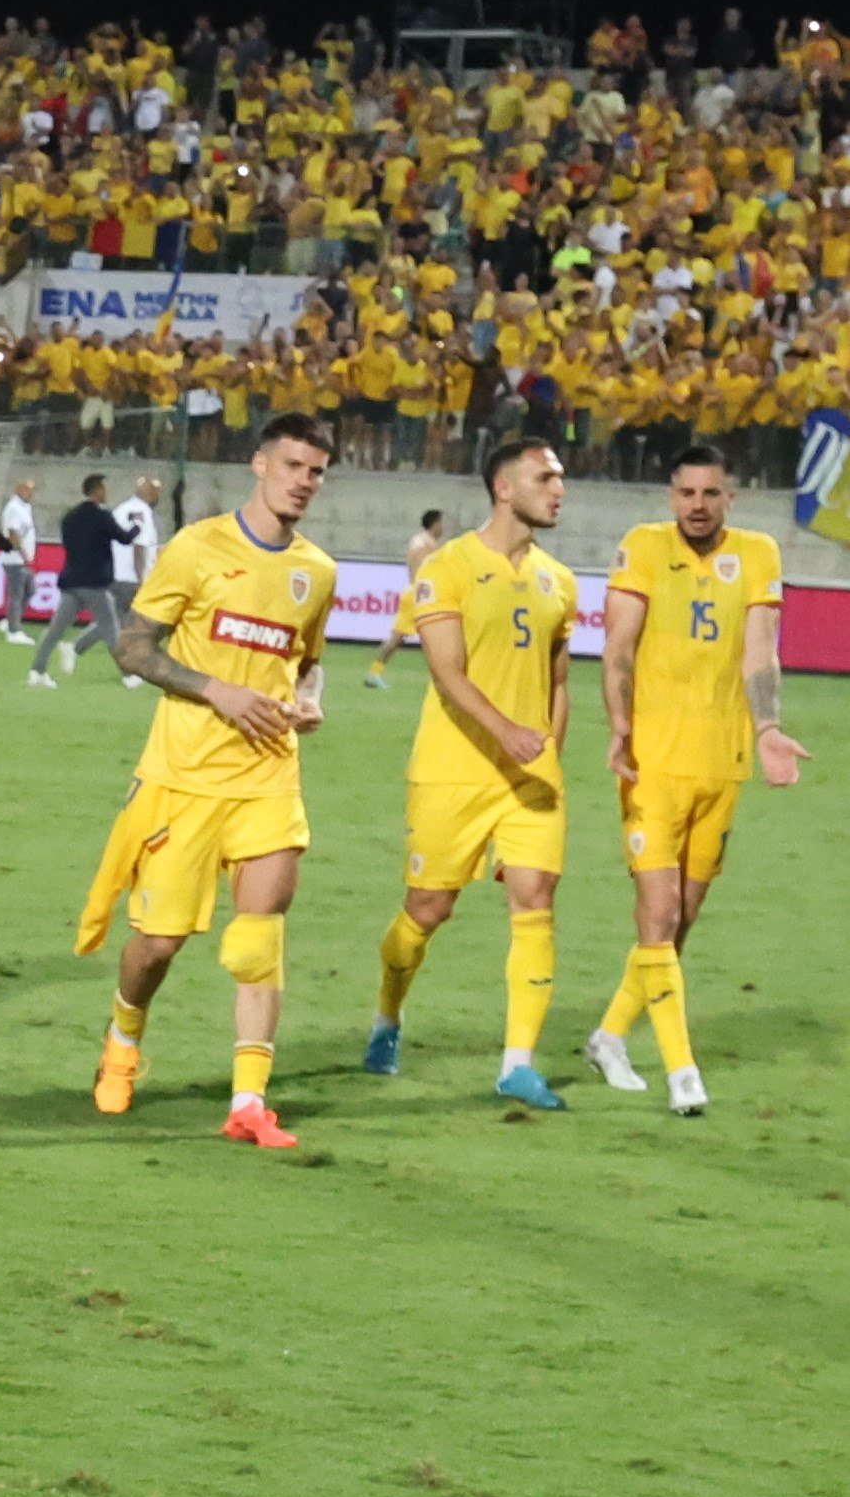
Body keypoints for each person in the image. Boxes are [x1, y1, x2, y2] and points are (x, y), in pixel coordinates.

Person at [74, 413, 338, 1145]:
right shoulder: (197, 547)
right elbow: (131, 647)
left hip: (267, 775)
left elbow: (306, 657)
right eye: (292, 465)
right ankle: (122, 1038)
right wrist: (213, 689)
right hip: (184, 776)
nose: (303, 481)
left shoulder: (315, 570)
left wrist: (308, 699)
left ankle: (248, 1103)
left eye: (315, 470)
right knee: (156, 945)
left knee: (258, 938)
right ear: (259, 462)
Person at [362, 436, 577, 1109]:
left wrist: (550, 752)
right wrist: (509, 730)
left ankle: (517, 1063)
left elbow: (559, 682)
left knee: (534, 900)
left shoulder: (559, 581)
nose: (558, 488)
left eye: (560, 478)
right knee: (429, 907)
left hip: (528, 778)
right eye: (544, 477)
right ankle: (387, 1015)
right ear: (503, 487)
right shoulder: (446, 567)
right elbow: (445, 672)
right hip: (451, 771)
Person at [587, 450, 805, 1109]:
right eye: (685, 491)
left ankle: (608, 1036)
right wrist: (619, 725)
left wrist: (766, 729)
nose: (697, 503)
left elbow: (758, 651)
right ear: (669, 496)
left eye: (710, 491)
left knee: (678, 922)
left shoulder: (758, 552)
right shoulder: (643, 547)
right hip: (651, 762)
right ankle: (683, 1074)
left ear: (729, 498)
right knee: (656, 914)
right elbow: (618, 647)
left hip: (720, 763)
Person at [33, 473, 129, 689]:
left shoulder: (70, 516)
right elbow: (124, 538)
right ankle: (128, 674)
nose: (106, 492)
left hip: (72, 579)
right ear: (96, 490)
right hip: (94, 582)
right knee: (111, 628)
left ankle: (37, 670)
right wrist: (137, 527)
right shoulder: (102, 516)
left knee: (55, 630)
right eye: (104, 488)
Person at [360, 509, 445, 686]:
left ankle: (374, 672)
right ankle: (443, 678)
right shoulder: (426, 545)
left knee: (400, 638)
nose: (443, 528)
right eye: (441, 523)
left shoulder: (420, 541)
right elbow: (424, 572)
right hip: (420, 596)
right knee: (435, 635)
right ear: (435, 524)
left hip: (414, 593)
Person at [0, 474, 40, 652]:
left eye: (32, 489)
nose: (31, 493)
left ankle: (10, 621)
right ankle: (14, 631)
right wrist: (23, 554)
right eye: (28, 489)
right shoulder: (14, 508)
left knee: (30, 590)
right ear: (19, 489)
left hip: (21, 557)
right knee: (17, 593)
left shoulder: (24, 507)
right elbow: (13, 533)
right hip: (14, 557)